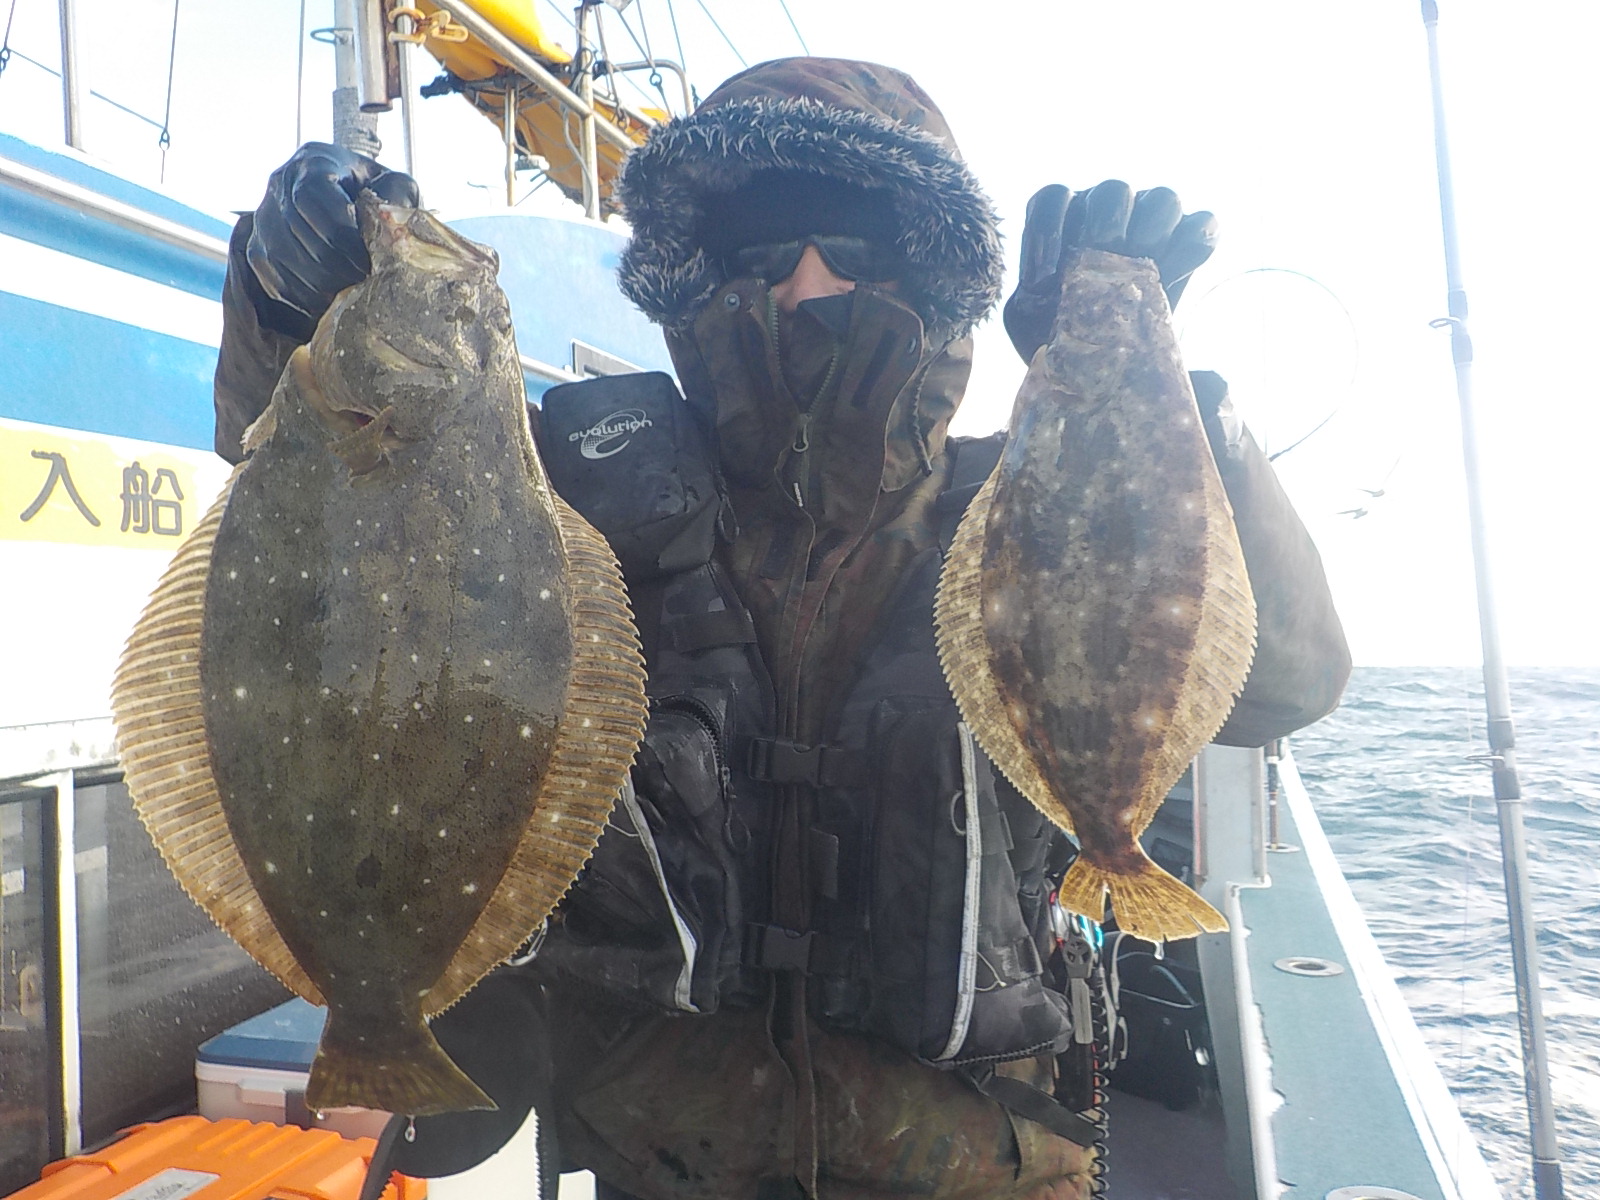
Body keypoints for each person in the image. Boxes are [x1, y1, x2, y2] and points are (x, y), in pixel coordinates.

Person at [214, 57, 1350, 1200]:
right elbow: (344, 517)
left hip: (976, 1169)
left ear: (925, 273)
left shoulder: (1026, 509)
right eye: (759, 256)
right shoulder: (574, 487)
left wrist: (1159, 397)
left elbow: (1283, 683)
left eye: (852, 252)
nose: (806, 288)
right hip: (660, 1166)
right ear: (699, 274)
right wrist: (295, 311)